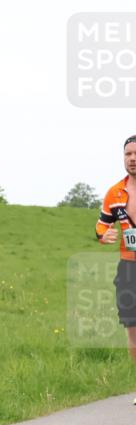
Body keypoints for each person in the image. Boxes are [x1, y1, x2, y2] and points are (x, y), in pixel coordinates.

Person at [95, 135, 136, 376]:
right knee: (132, 328)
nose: (133, 159)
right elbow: (102, 225)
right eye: (128, 154)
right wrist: (102, 235)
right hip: (129, 268)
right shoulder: (115, 193)